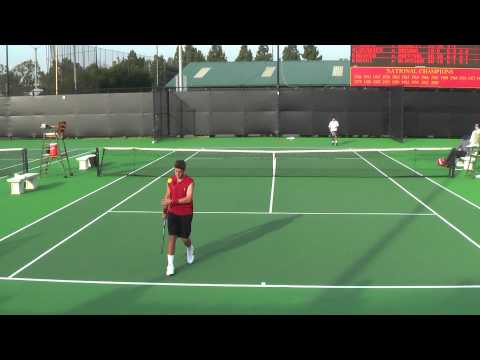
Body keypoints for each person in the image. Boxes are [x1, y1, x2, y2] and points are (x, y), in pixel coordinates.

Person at [161, 160, 195, 276]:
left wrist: (173, 201)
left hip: (186, 213)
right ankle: (170, 265)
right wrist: (165, 210)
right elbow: (167, 195)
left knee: (184, 238)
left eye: (179, 172)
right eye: (175, 171)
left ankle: (190, 248)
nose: (177, 174)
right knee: (172, 238)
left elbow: (188, 198)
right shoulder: (170, 180)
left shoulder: (190, 182)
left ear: (184, 171)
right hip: (172, 212)